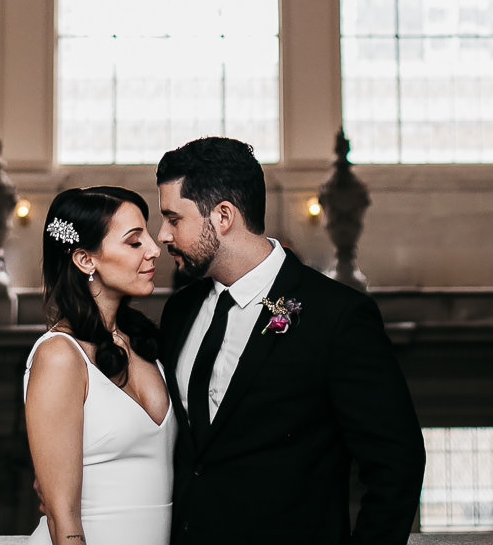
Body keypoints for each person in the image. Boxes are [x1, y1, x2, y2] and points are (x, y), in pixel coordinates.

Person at [156, 137, 424, 545]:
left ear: (223, 216)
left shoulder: (337, 316)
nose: (162, 235)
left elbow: (396, 465)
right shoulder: (180, 311)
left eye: (173, 219)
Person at [24, 186, 175, 545]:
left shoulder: (143, 343)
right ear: (85, 260)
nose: (155, 249)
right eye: (135, 242)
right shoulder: (59, 356)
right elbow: (63, 520)